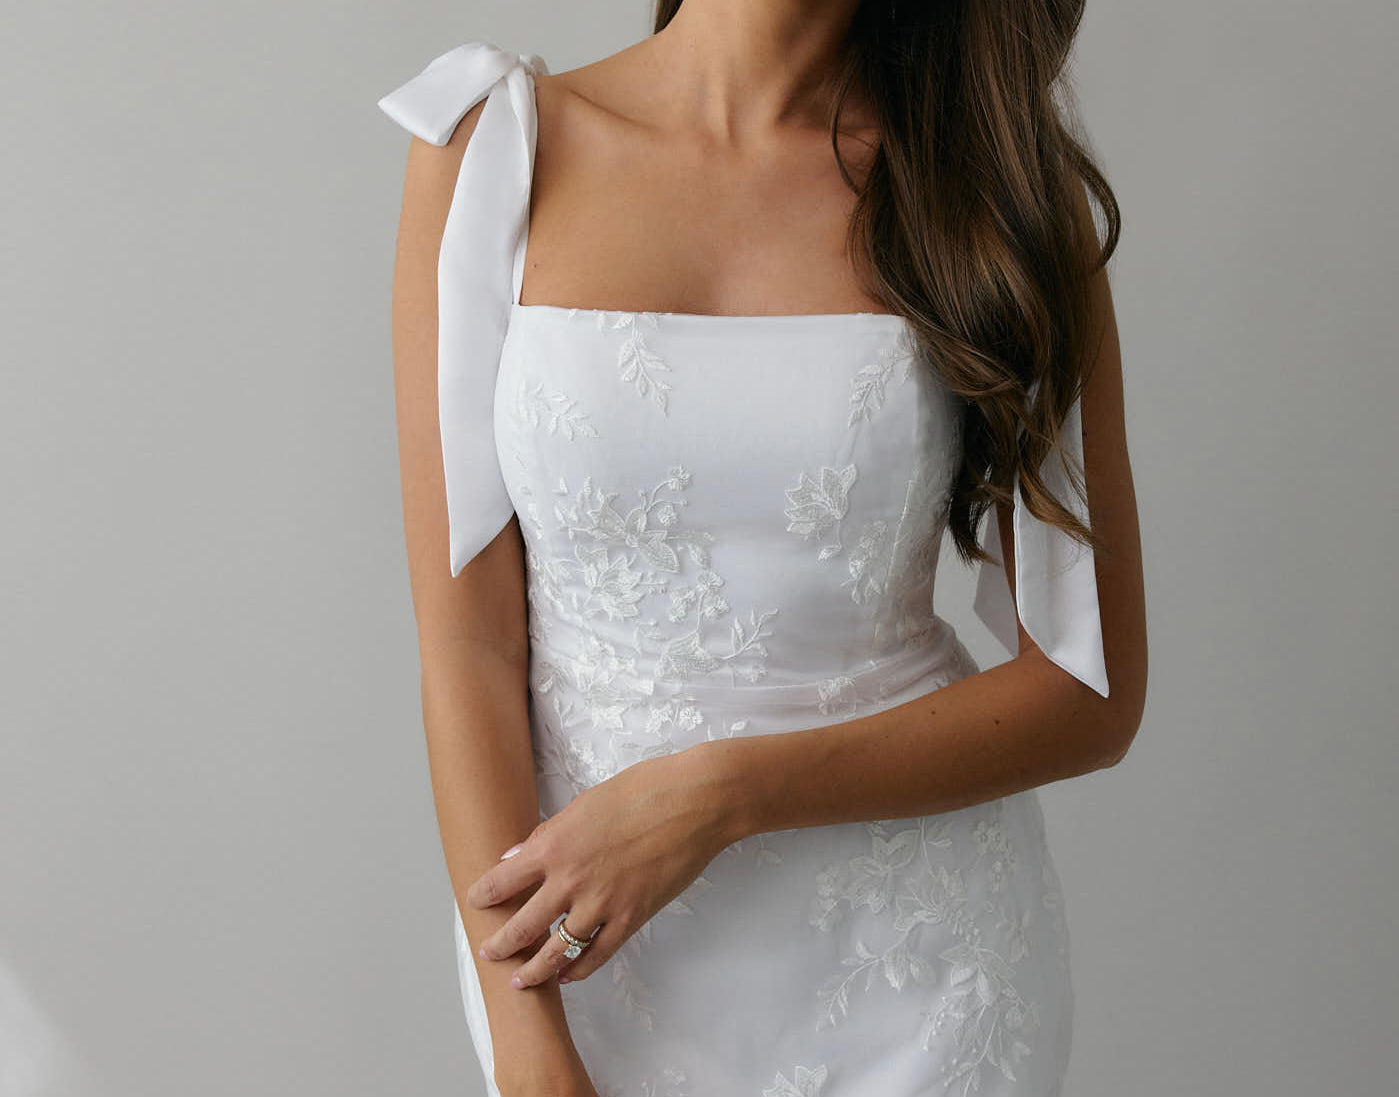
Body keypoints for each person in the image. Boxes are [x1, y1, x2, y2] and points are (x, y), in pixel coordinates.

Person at [378, 1, 1146, 1094]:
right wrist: (527, 1039)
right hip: (588, 974)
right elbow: (469, 647)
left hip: (916, 984)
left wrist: (717, 794)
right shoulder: (491, 151)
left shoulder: (994, 196)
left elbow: (1088, 692)